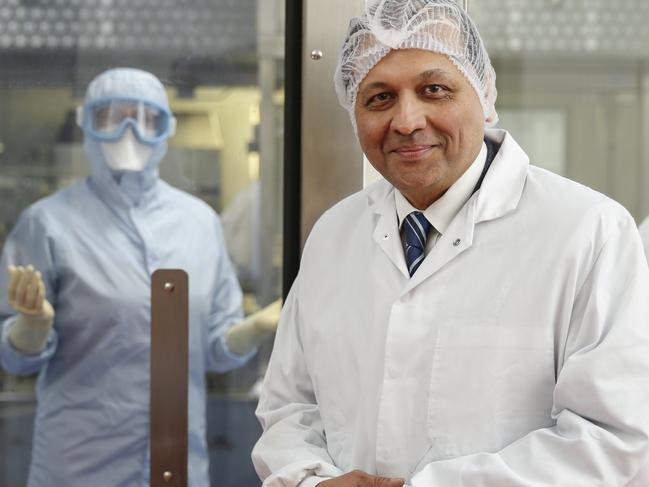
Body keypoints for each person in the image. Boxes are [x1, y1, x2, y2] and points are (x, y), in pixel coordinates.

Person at [251, 1, 649, 486]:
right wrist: (311, 481)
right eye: (379, 98)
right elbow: (290, 405)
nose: (407, 121)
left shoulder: (589, 230)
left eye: (433, 89)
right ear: (352, 111)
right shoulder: (335, 233)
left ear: (483, 92)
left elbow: (612, 438)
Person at [0, 68, 279, 487]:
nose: (130, 132)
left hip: (177, 460)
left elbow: (216, 351)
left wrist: (257, 326)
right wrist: (32, 325)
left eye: (147, 120)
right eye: (112, 118)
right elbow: (15, 357)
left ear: (165, 130)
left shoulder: (198, 222)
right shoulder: (47, 223)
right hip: (77, 464)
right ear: (88, 126)